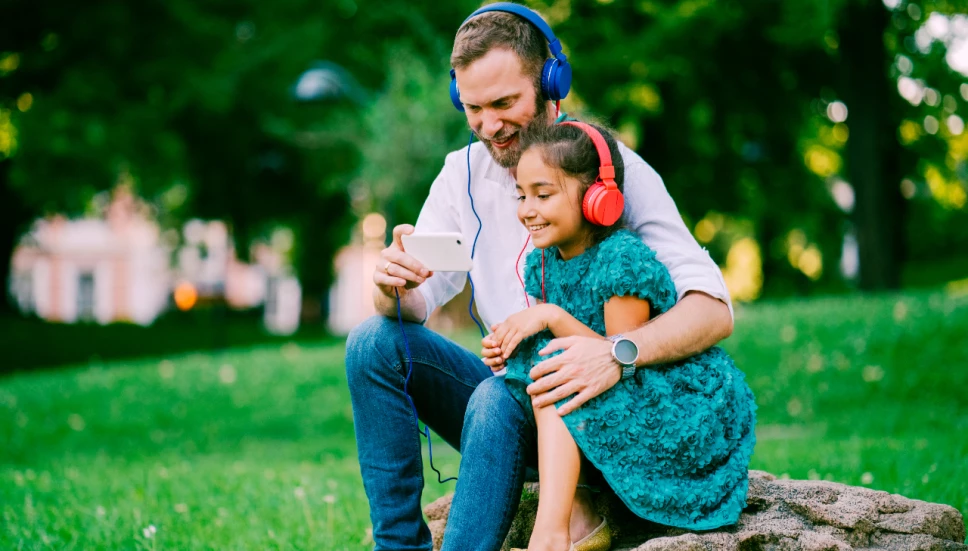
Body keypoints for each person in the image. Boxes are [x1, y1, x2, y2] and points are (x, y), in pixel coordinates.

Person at [345, 4, 736, 550]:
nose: (489, 125)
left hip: (601, 411)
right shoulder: (460, 176)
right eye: (474, 108)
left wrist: (615, 352)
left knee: (496, 398)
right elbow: (417, 306)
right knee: (373, 342)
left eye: (505, 103)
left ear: (553, 83)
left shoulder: (607, 170)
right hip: (517, 405)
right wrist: (394, 290)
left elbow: (714, 309)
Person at [489, 120, 756, 551]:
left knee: (555, 358)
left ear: (599, 198)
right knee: (540, 358)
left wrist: (551, 316)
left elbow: (617, 359)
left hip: (672, 401)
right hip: (612, 385)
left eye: (543, 194)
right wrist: (510, 342)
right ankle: (567, 522)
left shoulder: (621, 261)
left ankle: (552, 536)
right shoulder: (545, 261)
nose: (527, 209)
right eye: (522, 195)